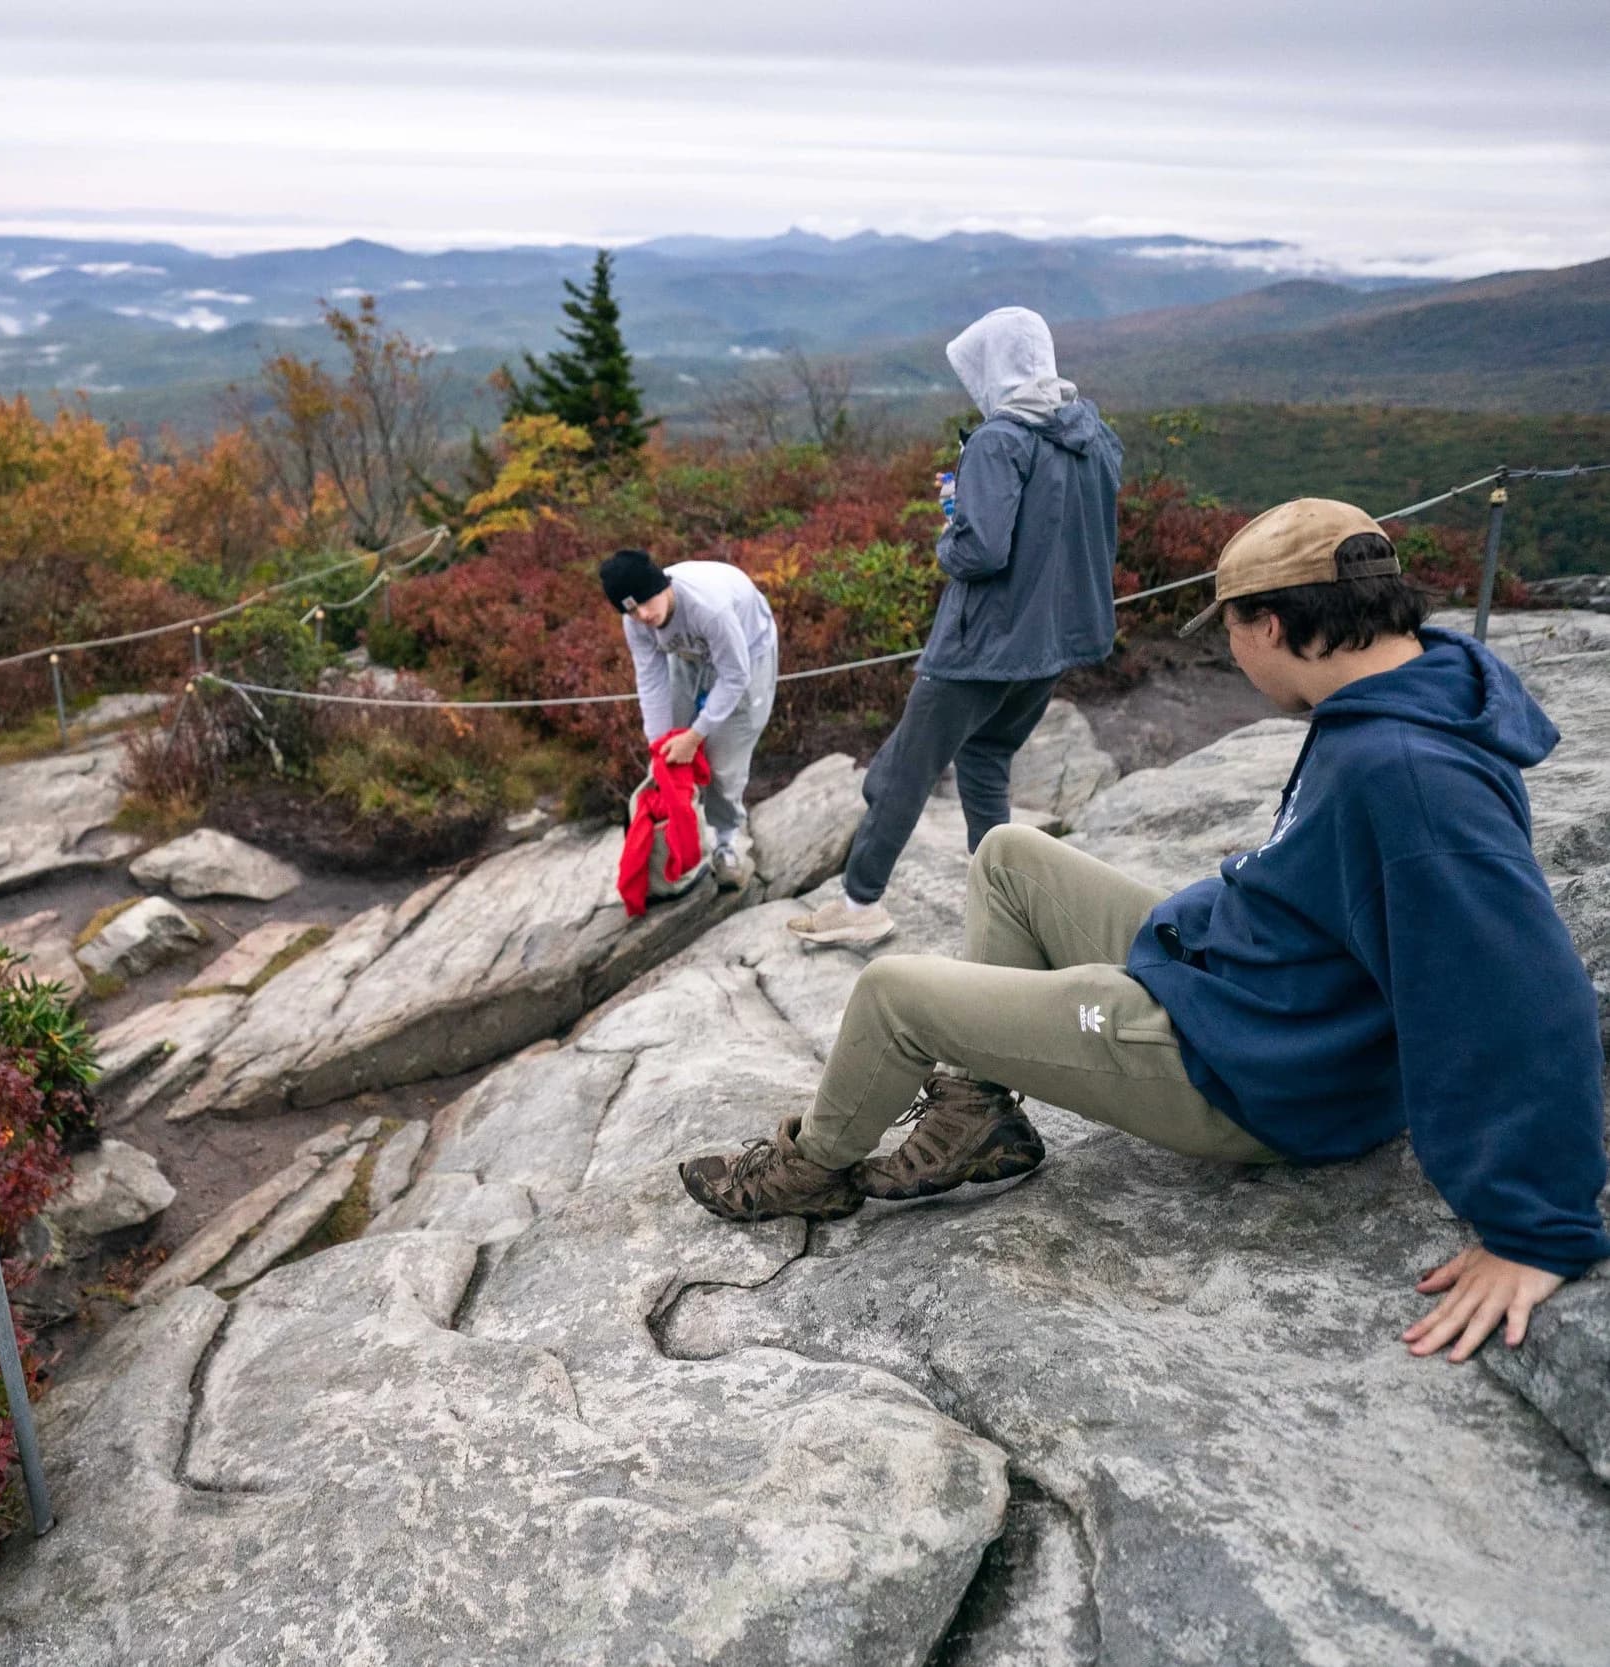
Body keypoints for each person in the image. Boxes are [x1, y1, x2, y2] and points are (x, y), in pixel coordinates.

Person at [679, 498, 1608, 1362]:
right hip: (1245, 985)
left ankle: (812, 1171)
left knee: (893, 996)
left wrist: (1538, 1230)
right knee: (1007, 853)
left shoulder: (1406, 769)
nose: (1235, 655)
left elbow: (1523, 990)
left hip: (1254, 1069)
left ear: (1272, 625)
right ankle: (976, 1118)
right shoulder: (1407, 688)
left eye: (1233, 630)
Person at [789, 306, 1124, 947]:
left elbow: (982, 552)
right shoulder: (1093, 435)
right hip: (1051, 640)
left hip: (983, 643)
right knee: (986, 755)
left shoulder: (1001, 439)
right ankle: (997, 896)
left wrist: (952, 530)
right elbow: (1076, 535)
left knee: (899, 774)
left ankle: (861, 907)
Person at [600, 549, 779, 888]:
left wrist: (696, 735)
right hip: (687, 657)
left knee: (724, 760)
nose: (642, 614)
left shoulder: (708, 608)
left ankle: (728, 844)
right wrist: (659, 744)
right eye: (631, 610)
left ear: (661, 585)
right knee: (672, 755)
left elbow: (735, 676)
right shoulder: (637, 622)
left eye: (645, 602)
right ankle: (687, 844)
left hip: (746, 656)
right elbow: (651, 681)